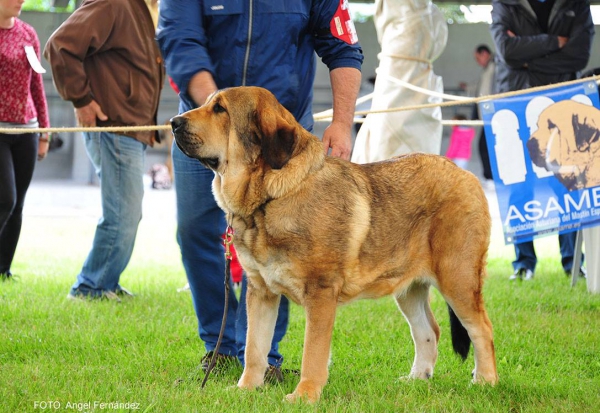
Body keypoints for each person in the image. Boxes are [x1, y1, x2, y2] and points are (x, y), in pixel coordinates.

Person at [156, 0, 363, 380]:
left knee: (282, 243)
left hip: (279, 137)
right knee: (195, 231)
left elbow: (343, 45)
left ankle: (265, 359)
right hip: (206, 127)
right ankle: (219, 346)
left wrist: (342, 122)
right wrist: (220, 112)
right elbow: (180, 41)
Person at [44, 0, 164, 300]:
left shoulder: (149, 8)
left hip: (129, 128)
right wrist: (81, 100)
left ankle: (105, 283)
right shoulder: (116, 3)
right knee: (123, 213)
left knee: (126, 212)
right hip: (113, 126)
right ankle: (90, 286)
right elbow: (60, 45)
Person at [490, 0, 594, 281]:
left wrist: (526, 56)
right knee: (518, 184)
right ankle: (524, 263)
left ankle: (573, 261)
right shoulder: (504, 4)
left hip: (562, 104)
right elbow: (506, 51)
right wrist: (554, 42)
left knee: (567, 184)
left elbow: (579, 56)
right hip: (515, 105)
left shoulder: (577, 4)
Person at [0, 0, 50, 281]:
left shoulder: (28, 33)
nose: (20, 0)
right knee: (4, 198)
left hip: (27, 130)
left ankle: (4, 269)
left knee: (18, 203)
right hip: (0, 133)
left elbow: (36, 84)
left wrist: (45, 131)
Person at [472, 44, 495, 188]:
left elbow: (489, 93)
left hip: (491, 115)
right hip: (488, 114)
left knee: (485, 147)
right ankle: (490, 177)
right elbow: (481, 89)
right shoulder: (488, 69)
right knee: (485, 147)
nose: (477, 61)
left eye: (477, 57)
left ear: (485, 53)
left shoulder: (494, 67)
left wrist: (489, 115)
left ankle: (491, 177)